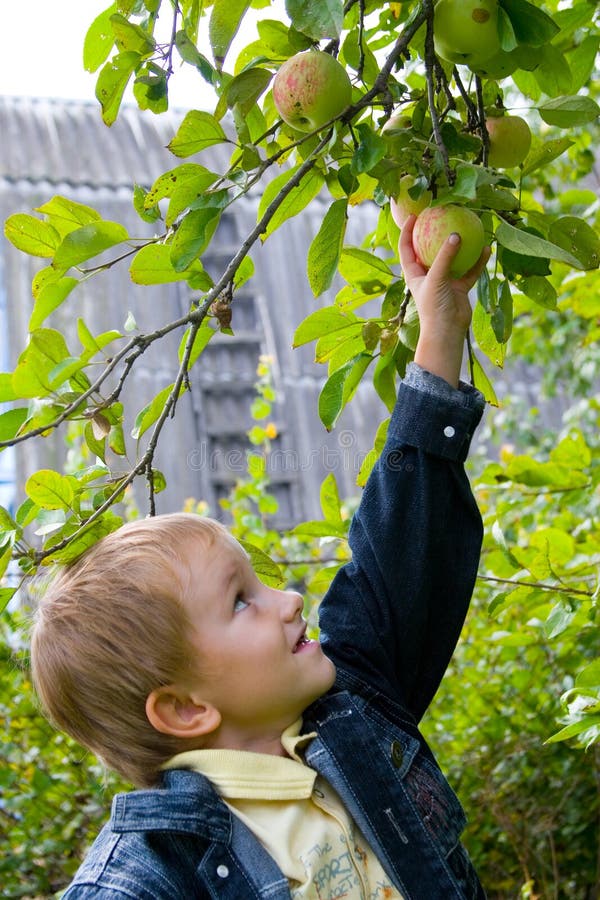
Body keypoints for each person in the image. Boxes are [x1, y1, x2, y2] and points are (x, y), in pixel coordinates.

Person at [30, 215, 490, 899]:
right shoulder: (153, 875)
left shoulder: (353, 708)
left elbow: (398, 548)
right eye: (242, 601)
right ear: (186, 710)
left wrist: (440, 328)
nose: (290, 601)